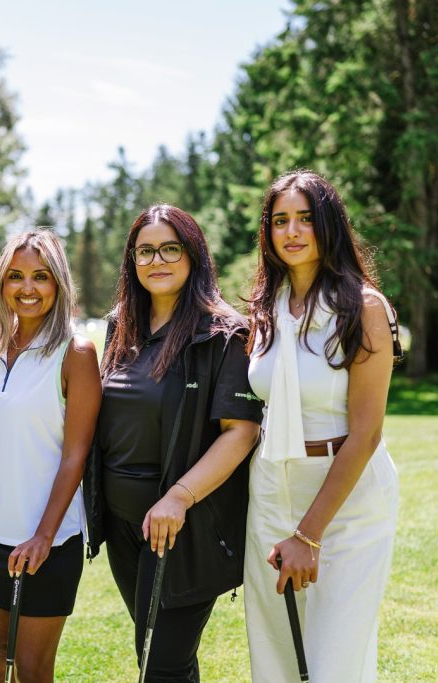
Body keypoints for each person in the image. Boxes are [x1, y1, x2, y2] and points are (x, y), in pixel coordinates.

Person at [83, 205, 262, 681]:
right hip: (123, 525)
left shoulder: (224, 334)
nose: (156, 260)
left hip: (183, 527)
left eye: (169, 249)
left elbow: (241, 431)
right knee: (159, 658)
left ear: (193, 255)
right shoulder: (121, 326)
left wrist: (179, 498)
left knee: (161, 664)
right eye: (145, 251)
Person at [244, 170, 402, 682]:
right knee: (276, 659)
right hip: (272, 490)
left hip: (348, 500)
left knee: (335, 663)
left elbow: (367, 432)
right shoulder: (264, 309)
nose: (291, 232)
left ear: (328, 224)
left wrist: (308, 535)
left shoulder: (363, 307)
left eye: (305, 219)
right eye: (280, 221)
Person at [0, 231, 101, 682]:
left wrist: (43, 536)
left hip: (46, 542)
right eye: (15, 276)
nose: (28, 288)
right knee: (1, 658)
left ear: (59, 283)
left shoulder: (76, 353)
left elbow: (76, 455)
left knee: (33, 669)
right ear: (1, 283)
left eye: (41, 276)